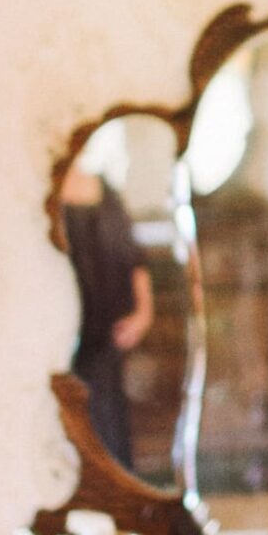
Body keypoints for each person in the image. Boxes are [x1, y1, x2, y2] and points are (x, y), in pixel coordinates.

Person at [60, 158, 154, 469]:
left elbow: (134, 260)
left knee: (107, 417)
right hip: (63, 331)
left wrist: (143, 314)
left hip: (108, 332)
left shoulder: (105, 191)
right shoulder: (45, 193)